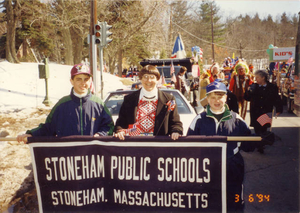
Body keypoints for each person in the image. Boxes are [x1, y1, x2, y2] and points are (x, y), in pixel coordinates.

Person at [187, 81, 256, 213]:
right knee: (208, 203)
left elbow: (248, 146)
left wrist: (260, 139)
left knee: (234, 202)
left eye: (220, 96)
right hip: (207, 168)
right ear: (207, 99)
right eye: (212, 97)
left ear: (226, 97)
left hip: (232, 167)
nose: (216, 100)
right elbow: (190, 147)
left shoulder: (237, 120)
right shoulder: (199, 120)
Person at [17, 63, 114, 143]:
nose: (83, 83)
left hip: (91, 158)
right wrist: (31, 134)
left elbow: (109, 126)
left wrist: (100, 134)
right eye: (78, 79)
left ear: (90, 81)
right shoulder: (62, 104)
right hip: (68, 158)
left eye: (86, 79)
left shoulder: (98, 103)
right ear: (71, 81)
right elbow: (49, 127)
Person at [114, 65, 183, 140]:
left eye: (152, 77)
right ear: (140, 79)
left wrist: (176, 131)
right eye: (145, 77)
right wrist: (119, 131)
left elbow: (175, 122)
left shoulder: (169, 99)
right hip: (135, 146)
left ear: (157, 79)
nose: (149, 80)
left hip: (158, 146)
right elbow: (121, 123)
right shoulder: (129, 99)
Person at [244, 70, 283, 153]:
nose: (256, 79)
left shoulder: (272, 87)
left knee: (264, 128)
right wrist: (248, 91)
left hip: (266, 110)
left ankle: (263, 143)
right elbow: (247, 98)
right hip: (256, 111)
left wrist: (279, 109)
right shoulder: (254, 86)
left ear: (263, 77)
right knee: (257, 129)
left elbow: (276, 99)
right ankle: (259, 146)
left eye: (257, 77)